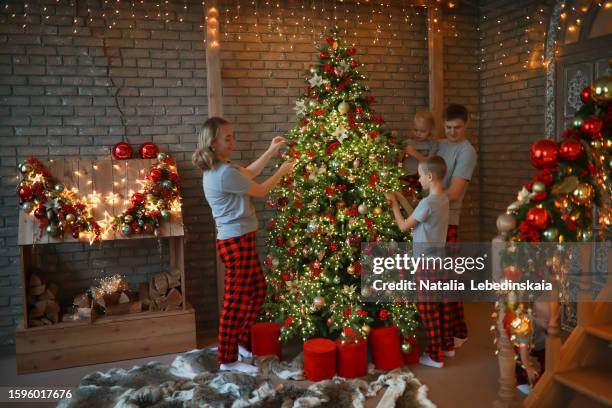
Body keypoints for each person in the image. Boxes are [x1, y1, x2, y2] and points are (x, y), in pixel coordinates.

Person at [192, 117, 295, 374]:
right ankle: (227, 359)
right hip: (235, 243)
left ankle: (240, 342)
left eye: (232, 136)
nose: (232, 141)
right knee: (234, 302)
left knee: (257, 290)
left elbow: (250, 173)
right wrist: (282, 172)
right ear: (213, 144)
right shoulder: (223, 174)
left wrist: (271, 151)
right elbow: (259, 190)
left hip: (242, 240)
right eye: (227, 138)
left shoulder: (226, 168)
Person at [386, 156, 451, 368]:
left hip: (425, 264)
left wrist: (394, 205)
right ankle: (446, 346)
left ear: (430, 176)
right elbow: (417, 214)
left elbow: (404, 225)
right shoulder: (442, 200)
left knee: (427, 310)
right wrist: (402, 197)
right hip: (438, 261)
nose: (419, 179)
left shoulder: (427, 203)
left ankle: (435, 356)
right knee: (438, 307)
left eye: (421, 175)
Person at [436, 104, 477, 350]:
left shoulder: (466, 151)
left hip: (448, 221)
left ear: (466, 124)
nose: (452, 132)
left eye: (458, 127)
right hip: (429, 220)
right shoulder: (439, 144)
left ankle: (456, 332)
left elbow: (454, 191)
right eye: (448, 127)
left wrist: (425, 203)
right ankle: (446, 332)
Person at [400, 110, 438, 207]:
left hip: (424, 179)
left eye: (422, 131)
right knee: (407, 202)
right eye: (416, 130)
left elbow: (430, 163)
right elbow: (399, 161)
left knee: (425, 201)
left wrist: (414, 153)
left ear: (430, 130)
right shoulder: (407, 143)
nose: (418, 134)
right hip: (407, 178)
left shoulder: (432, 144)